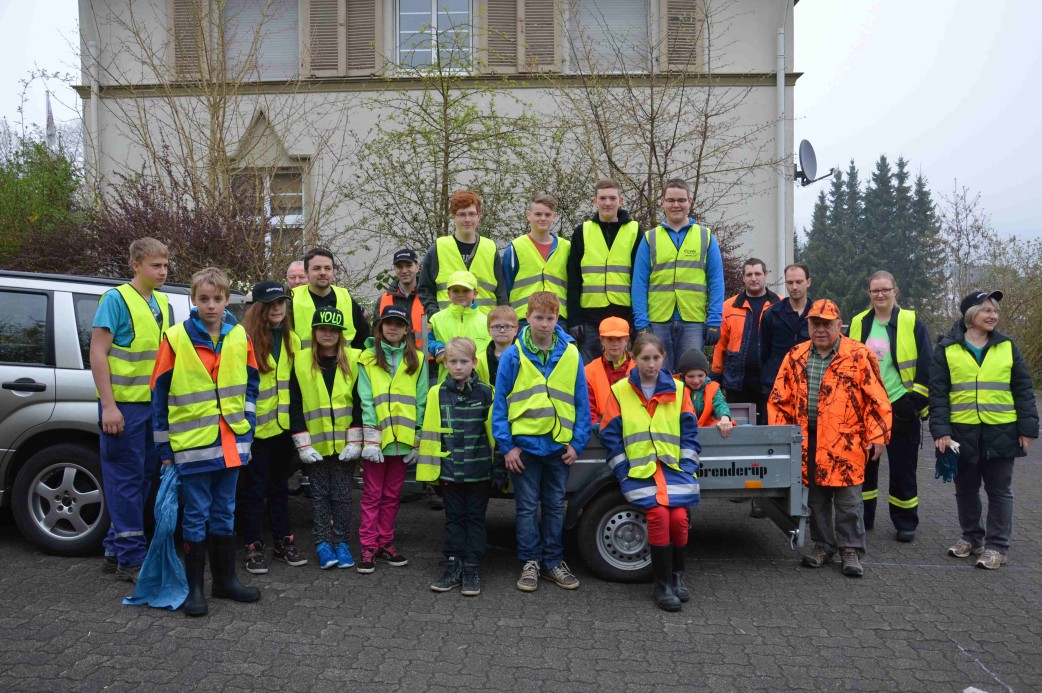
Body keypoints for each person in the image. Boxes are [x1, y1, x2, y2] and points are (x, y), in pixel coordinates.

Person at [151, 267, 261, 617]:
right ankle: (195, 589)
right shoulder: (175, 337)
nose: (211, 306)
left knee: (224, 512)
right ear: (192, 300)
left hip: (232, 442)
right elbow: (159, 394)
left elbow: (252, 384)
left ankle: (225, 582)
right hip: (194, 445)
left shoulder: (240, 336)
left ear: (227, 300)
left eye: (217, 299)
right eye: (203, 299)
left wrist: (248, 425)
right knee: (196, 514)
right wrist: (165, 448)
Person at [769, 299, 892, 579]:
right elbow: (778, 400)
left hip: (847, 442)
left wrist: (878, 436)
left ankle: (851, 550)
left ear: (839, 325)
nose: (821, 329)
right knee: (816, 500)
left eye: (827, 323)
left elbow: (878, 400)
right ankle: (823, 545)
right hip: (806, 442)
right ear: (808, 325)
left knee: (849, 501)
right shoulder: (795, 355)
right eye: (815, 323)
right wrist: (781, 437)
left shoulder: (859, 355)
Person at [930, 290, 1038, 570]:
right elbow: (938, 394)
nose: (993, 316)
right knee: (965, 490)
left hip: (1001, 431)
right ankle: (971, 538)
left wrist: (1028, 429)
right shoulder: (946, 348)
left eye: (995, 311)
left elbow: (1024, 390)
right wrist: (941, 431)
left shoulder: (1007, 346)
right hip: (961, 433)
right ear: (970, 316)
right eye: (986, 310)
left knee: (1000, 491)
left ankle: (996, 546)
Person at [492, 291, 591, 593]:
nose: (544, 324)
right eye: (539, 318)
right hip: (524, 449)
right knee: (525, 508)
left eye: (550, 318)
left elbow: (581, 402)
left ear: (557, 319)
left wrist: (578, 442)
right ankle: (530, 561)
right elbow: (500, 405)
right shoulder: (513, 354)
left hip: (559, 448)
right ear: (528, 317)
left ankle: (553, 561)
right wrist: (507, 447)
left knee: (553, 507)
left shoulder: (572, 354)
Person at [599, 334, 701, 612]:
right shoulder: (620, 390)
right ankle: (662, 586)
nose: (651, 364)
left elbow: (690, 433)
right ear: (634, 359)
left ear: (664, 358)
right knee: (657, 515)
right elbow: (610, 435)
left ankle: (677, 576)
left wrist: (689, 466)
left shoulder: (679, 390)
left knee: (679, 518)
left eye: (656, 358)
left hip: (673, 469)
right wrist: (621, 470)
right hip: (639, 471)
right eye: (645, 358)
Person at [90, 237, 170, 582]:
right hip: (123, 407)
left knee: (144, 480)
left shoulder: (163, 302)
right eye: (155, 265)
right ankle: (131, 560)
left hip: (151, 407)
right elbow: (97, 353)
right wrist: (108, 406)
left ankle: (114, 549)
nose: (162, 271)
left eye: (165, 265)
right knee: (125, 481)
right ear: (135, 265)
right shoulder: (115, 299)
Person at [848, 271, 932, 542]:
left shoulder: (911, 321)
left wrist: (915, 402)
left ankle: (905, 522)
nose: (880, 295)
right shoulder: (858, 322)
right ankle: (864, 517)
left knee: (903, 467)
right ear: (869, 293)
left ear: (896, 291)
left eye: (885, 290)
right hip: (866, 406)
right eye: (875, 291)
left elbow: (926, 366)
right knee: (865, 466)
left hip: (900, 405)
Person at [417, 337, 501, 597]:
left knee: (475, 519)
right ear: (446, 363)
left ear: (474, 362)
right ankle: (453, 565)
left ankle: (472, 568)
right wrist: (430, 471)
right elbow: (431, 432)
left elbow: (496, 434)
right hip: (450, 472)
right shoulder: (436, 393)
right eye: (453, 362)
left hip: (478, 473)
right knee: (454, 520)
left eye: (464, 361)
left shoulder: (487, 392)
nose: (458, 367)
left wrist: (497, 469)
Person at [237, 281, 307, 573]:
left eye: (282, 303)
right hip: (254, 429)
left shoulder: (293, 339)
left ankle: (283, 540)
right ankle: (252, 545)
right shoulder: (244, 340)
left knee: (280, 487)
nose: (278, 308)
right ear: (259, 307)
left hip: (282, 428)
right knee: (253, 490)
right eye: (272, 303)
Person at [357, 304, 429, 573]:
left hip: (404, 439)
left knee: (391, 495)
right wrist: (371, 439)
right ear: (379, 327)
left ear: (407, 330)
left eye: (398, 324)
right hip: (378, 440)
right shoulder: (367, 358)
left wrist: (418, 437)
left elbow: (421, 400)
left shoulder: (418, 360)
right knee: (372, 495)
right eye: (388, 323)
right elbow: (366, 399)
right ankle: (367, 546)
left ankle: (385, 543)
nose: (393, 328)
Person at [289, 306, 362, 570]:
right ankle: (322, 542)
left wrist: (356, 441)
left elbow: (359, 403)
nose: (328, 334)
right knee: (319, 495)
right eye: (323, 329)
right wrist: (302, 444)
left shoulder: (355, 359)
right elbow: (294, 404)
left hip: (345, 443)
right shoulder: (299, 360)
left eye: (333, 330)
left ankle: (342, 542)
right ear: (315, 331)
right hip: (315, 444)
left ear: (341, 334)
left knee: (342, 495)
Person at [632, 179, 724, 371]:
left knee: (691, 377)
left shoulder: (705, 236)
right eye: (671, 200)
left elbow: (716, 281)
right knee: (657, 375)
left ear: (690, 201)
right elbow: (639, 283)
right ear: (663, 202)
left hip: (693, 320)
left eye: (681, 200)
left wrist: (714, 321)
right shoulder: (650, 238)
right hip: (657, 321)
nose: (676, 205)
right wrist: (641, 323)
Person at [565, 178, 643, 363]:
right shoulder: (582, 231)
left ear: (620, 201)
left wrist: (636, 318)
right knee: (589, 371)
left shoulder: (635, 231)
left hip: (624, 316)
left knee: (623, 369)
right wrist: (574, 320)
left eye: (612, 198)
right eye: (602, 198)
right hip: (589, 318)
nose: (607, 203)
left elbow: (640, 279)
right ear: (595, 201)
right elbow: (574, 278)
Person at [711, 258, 780, 425]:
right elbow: (720, 345)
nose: (753, 278)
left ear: (765, 275)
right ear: (743, 277)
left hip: (770, 381)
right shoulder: (729, 306)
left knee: (768, 429)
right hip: (737, 381)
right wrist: (715, 378)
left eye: (757, 273)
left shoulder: (779, 304)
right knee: (739, 432)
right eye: (749, 274)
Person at [418, 190, 508, 318]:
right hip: (448, 328)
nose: (467, 219)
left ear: (478, 216)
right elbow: (425, 289)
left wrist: (500, 321)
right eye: (462, 215)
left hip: (484, 329)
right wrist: (435, 316)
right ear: (453, 216)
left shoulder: (490, 248)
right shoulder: (438, 248)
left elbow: (501, 292)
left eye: (471, 214)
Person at [503, 193, 571, 323]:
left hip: (558, 319)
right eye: (538, 214)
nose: (543, 218)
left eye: (547, 215)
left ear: (554, 217)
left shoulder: (567, 247)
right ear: (529, 215)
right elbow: (506, 288)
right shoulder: (515, 248)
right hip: (523, 320)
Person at [290, 247, 370, 351]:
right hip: (305, 367)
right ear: (306, 272)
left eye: (327, 268)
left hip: (344, 366)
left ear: (333, 271)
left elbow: (363, 341)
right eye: (317, 268)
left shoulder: (346, 300)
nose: (323, 272)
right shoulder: (292, 301)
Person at [760, 263, 812, 401]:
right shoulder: (772, 314)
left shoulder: (817, 316)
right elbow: (764, 353)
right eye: (790, 282)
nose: (794, 287)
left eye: (799, 282)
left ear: (808, 282)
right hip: (776, 385)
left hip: (810, 386)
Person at [428, 270, 492, 382]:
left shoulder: (486, 321)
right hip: (446, 384)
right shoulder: (436, 319)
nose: (461, 294)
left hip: (479, 384)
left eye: (466, 290)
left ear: (475, 294)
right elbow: (428, 341)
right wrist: (438, 348)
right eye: (456, 291)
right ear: (448, 294)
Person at [585, 316, 634, 428]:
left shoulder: (639, 368)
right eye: (610, 339)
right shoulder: (589, 371)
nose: (614, 343)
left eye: (619, 338)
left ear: (627, 340)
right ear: (602, 340)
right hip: (600, 432)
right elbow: (588, 408)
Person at [377, 248, 426, 353]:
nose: (404, 271)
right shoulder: (384, 299)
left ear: (417, 267)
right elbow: (376, 333)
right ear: (395, 269)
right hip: (393, 360)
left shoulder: (428, 296)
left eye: (409, 265)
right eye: (399, 266)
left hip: (426, 361)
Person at [677, 349, 734, 438]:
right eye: (690, 376)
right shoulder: (677, 387)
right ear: (683, 376)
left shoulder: (712, 387)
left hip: (707, 428)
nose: (696, 381)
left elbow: (720, 403)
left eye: (700, 375)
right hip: (682, 428)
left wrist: (725, 417)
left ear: (706, 374)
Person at [476, 305, 518, 388]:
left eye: (507, 326)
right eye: (496, 327)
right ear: (488, 330)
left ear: (516, 330)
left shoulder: (524, 356)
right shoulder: (479, 360)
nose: (502, 330)